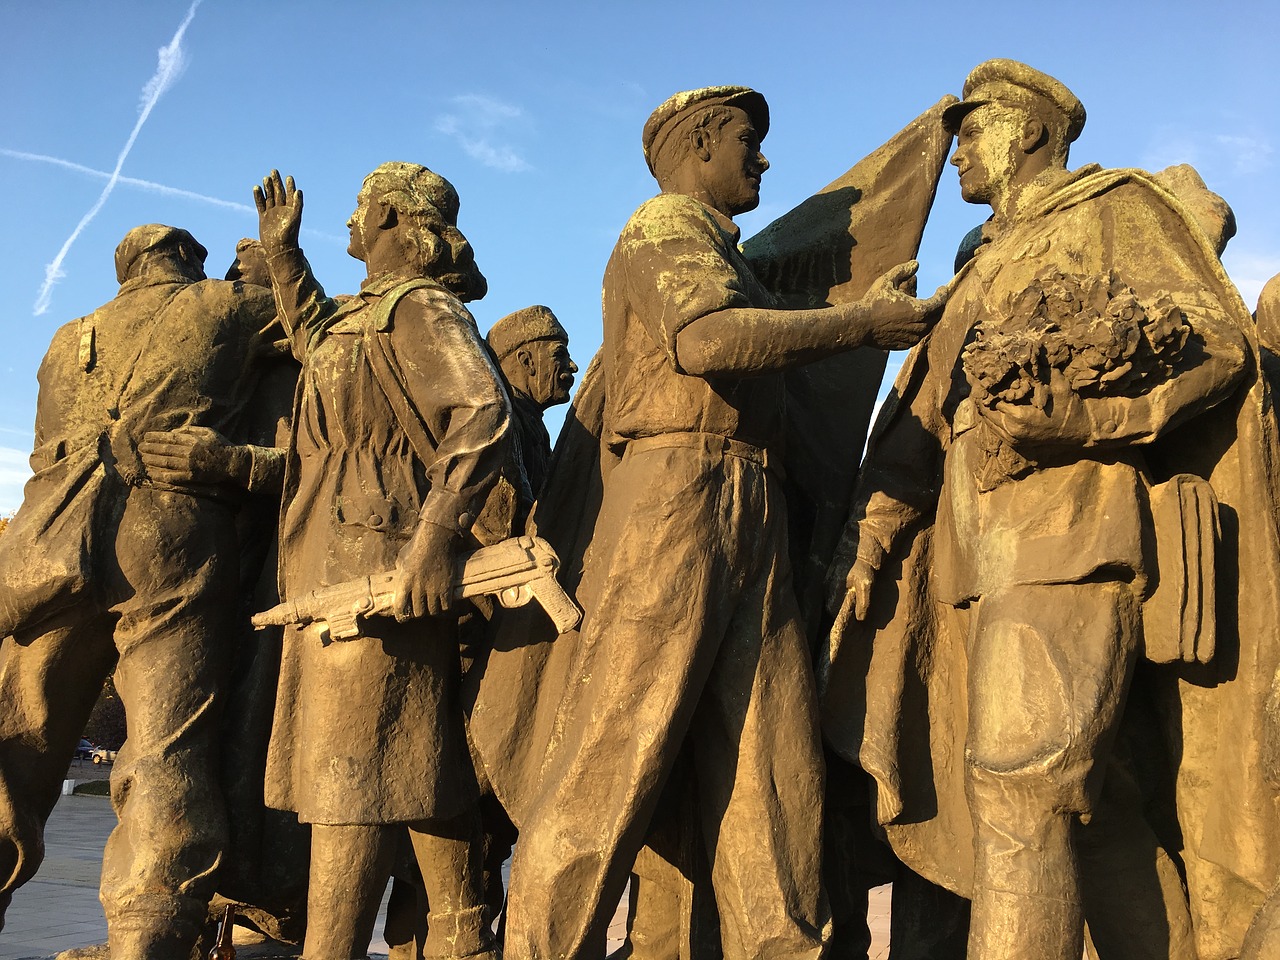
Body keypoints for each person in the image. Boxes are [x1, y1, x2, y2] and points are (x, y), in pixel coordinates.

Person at [823, 59, 1279, 960]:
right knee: (1091, 808)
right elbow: (917, 426)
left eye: (972, 128)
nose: (953, 153)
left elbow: (1217, 344)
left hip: (1071, 546)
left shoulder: (1113, 211)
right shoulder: (986, 259)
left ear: (1031, 129)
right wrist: (866, 549)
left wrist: (1090, 414)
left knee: (1019, 796)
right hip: (976, 570)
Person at [498, 85, 945, 960]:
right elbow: (705, 343)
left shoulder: (722, 251)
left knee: (773, 781)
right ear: (699, 142)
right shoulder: (664, 226)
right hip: (676, 494)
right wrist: (860, 325)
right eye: (749, 140)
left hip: (749, 503)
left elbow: (762, 340)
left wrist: (851, 316)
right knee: (609, 761)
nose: (764, 160)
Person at [254, 164, 508, 960]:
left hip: (382, 564)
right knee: (414, 767)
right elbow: (315, 338)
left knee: (352, 779)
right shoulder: (361, 314)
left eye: (359, 211)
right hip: (332, 557)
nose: (350, 223)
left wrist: (433, 539)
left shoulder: (422, 306)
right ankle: (464, 937)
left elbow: (482, 411)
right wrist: (283, 258)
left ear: (393, 215)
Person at [0, 224, 275, 957]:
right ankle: (147, 934)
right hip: (168, 526)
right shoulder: (224, 306)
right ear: (187, 260)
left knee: (20, 732)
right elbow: (324, 327)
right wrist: (272, 261)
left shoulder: (66, 338)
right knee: (164, 741)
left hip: (49, 540)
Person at [486, 305, 577, 496]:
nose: (573, 366)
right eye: (559, 354)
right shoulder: (502, 422)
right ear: (527, 361)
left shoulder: (533, 425)